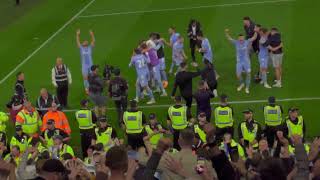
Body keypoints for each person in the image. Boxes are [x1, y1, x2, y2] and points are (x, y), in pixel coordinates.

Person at [225, 28, 258, 94]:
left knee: (248, 74)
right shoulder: (236, 42)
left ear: (243, 38)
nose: (241, 40)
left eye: (242, 38)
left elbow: (254, 37)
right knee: (238, 75)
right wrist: (226, 33)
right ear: (238, 38)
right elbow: (229, 38)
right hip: (239, 62)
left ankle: (247, 87)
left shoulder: (247, 41)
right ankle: (242, 84)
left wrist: (255, 31)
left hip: (246, 62)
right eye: (240, 38)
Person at [76, 29, 95, 94]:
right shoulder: (81, 48)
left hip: (91, 65)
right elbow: (78, 42)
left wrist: (92, 34)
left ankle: (92, 87)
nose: (85, 42)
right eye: (84, 42)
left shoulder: (90, 47)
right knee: (85, 78)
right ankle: (87, 88)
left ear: (87, 43)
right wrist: (77, 35)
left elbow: (93, 41)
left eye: (86, 41)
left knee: (92, 77)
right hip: (84, 66)